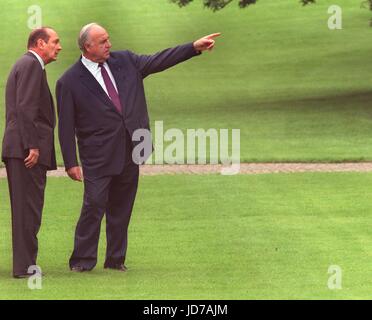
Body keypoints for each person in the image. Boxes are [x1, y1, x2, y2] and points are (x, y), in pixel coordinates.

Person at [56, 23, 220, 272]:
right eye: (103, 42)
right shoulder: (69, 81)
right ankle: (82, 261)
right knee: (94, 205)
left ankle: (115, 260)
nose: (109, 44)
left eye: (108, 39)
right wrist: (70, 162)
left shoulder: (126, 60)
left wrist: (192, 48)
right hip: (97, 156)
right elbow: (66, 126)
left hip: (131, 149)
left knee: (121, 209)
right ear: (87, 47)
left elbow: (157, 60)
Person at [2, 27, 62, 278]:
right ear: (40, 43)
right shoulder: (31, 65)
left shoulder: (27, 64)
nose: (59, 47)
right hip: (26, 151)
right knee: (29, 209)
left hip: (20, 148)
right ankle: (26, 267)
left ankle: (25, 264)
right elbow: (26, 108)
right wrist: (33, 145)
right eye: (55, 42)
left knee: (26, 209)